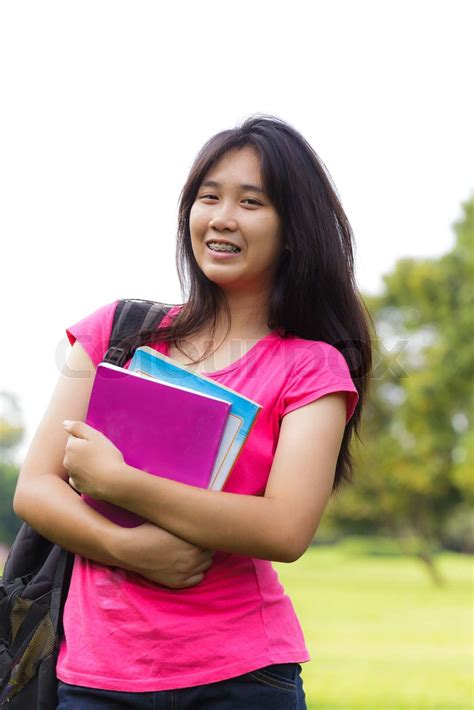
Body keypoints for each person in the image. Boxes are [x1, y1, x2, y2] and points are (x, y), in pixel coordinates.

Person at [13, 114, 373, 709]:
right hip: (98, 677)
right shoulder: (116, 334)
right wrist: (126, 547)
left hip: (242, 678)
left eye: (251, 202)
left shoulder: (312, 366)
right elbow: (35, 489)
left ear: (293, 228)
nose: (222, 217)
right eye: (209, 197)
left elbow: (285, 529)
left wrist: (122, 482)